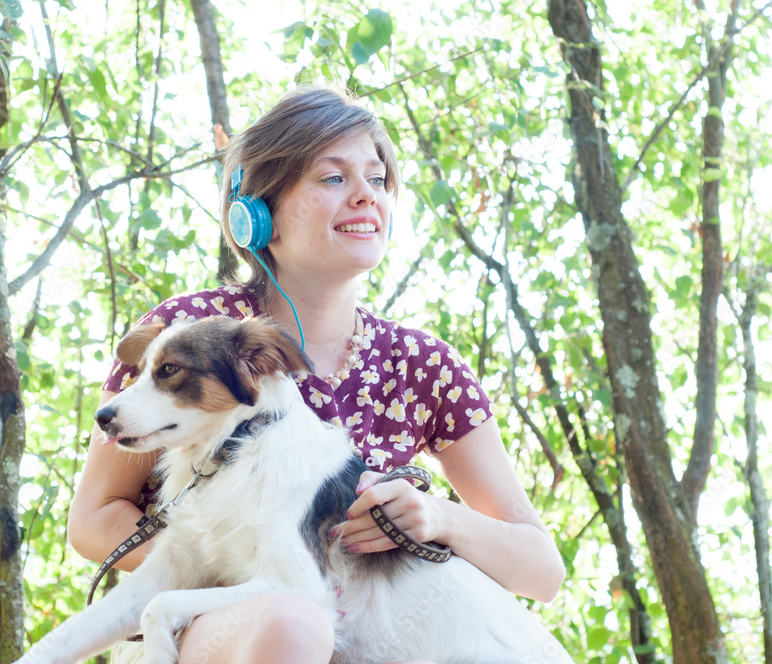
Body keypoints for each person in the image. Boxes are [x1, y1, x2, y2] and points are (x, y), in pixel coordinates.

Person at [66, 85, 565, 664]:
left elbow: (541, 571)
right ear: (257, 214)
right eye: (333, 179)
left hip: (367, 643)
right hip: (213, 633)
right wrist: (253, 562)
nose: (364, 197)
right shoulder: (185, 331)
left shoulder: (425, 365)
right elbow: (94, 520)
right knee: (291, 622)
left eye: (377, 180)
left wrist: (440, 517)